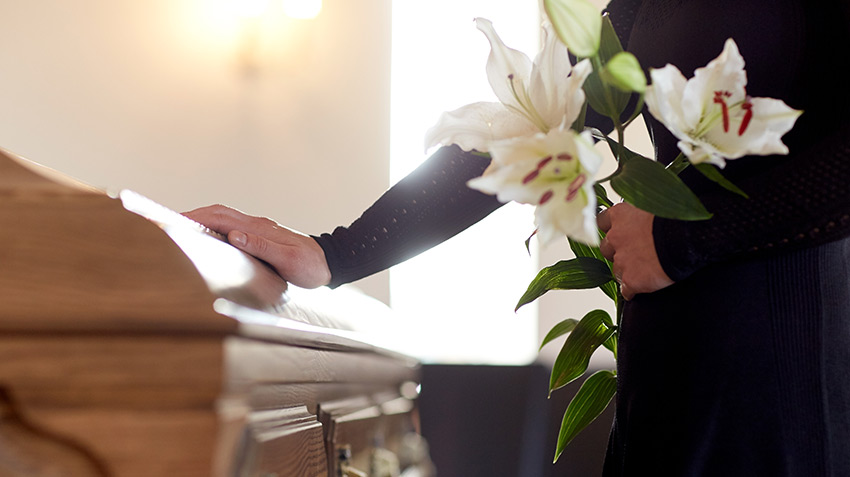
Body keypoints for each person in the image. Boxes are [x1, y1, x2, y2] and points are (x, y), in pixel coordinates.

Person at [186, 0, 850, 474]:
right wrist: (337, 250)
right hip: (671, 372)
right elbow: (531, 130)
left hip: (785, 376)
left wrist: (683, 240)